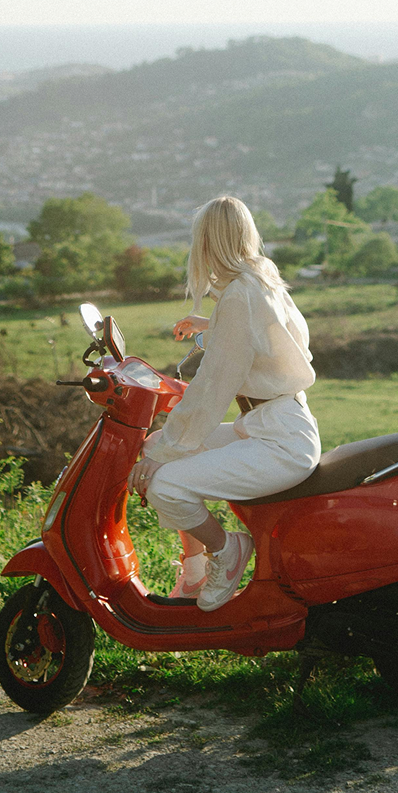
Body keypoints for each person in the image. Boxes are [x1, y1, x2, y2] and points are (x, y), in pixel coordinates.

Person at [128, 195, 320, 612]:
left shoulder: (238, 295)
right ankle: (194, 572)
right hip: (274, 423)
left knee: (164, 481)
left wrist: (167, 451)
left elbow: (214, 386)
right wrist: (209, 325)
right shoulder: (261, 275)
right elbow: (262, 338)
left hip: (278, 439)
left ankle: (227, 552)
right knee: (155, 449)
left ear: (208, 242)